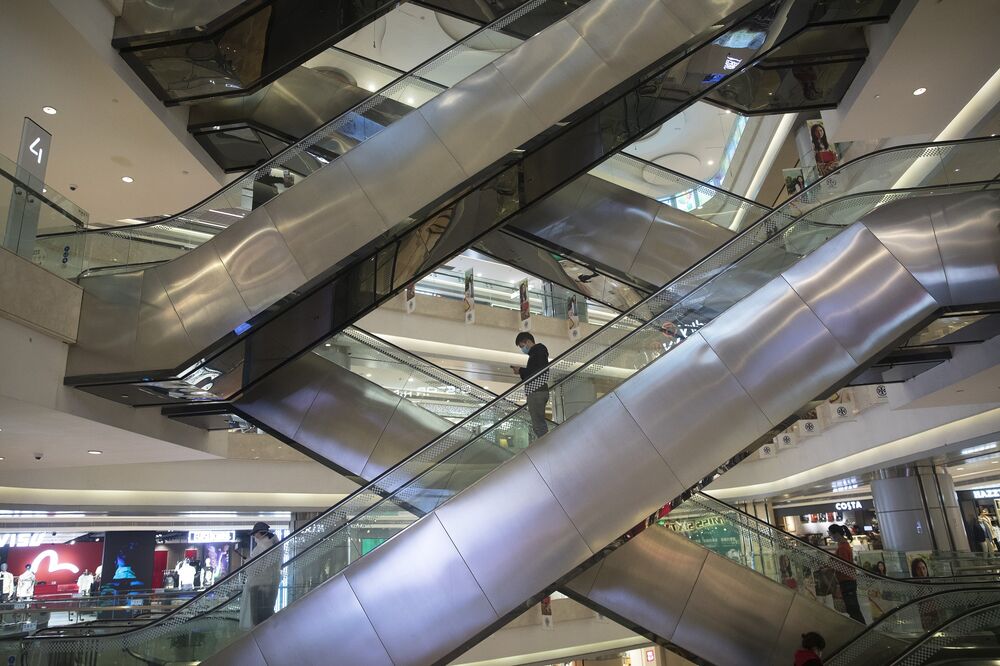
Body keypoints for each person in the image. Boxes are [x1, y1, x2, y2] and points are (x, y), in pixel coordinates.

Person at [239, 522, 281, 630]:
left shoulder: (263, 546)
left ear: (259, 533)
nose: (254, 536)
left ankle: (260, 639)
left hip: (259, 585)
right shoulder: (274, 545)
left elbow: (257, 567)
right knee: (267, 612)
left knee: (258, 617)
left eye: (254, 534)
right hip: (270, 584)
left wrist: (247, 561)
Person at [511, 332, 550, 439]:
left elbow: (537, 372)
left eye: (522, 346)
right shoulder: (536, 353)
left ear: (528, 341)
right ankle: (545, 446)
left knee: (538, 425)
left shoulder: (538, 351)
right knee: (538, 424)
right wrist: (521, 371)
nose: (522, 349)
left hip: (537, 391)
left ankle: (546, 448)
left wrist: (521, 370)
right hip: (537, 391)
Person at [829, 524, 865, 623]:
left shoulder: (843, 547)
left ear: (836, 534)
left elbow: (843, 565)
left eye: (830, 534)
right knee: (853, 609)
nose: (830, 536)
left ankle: (863, 630)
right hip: (848, 580)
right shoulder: (843, 545)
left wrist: (829, 567)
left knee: (853, 609)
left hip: (847, 581)